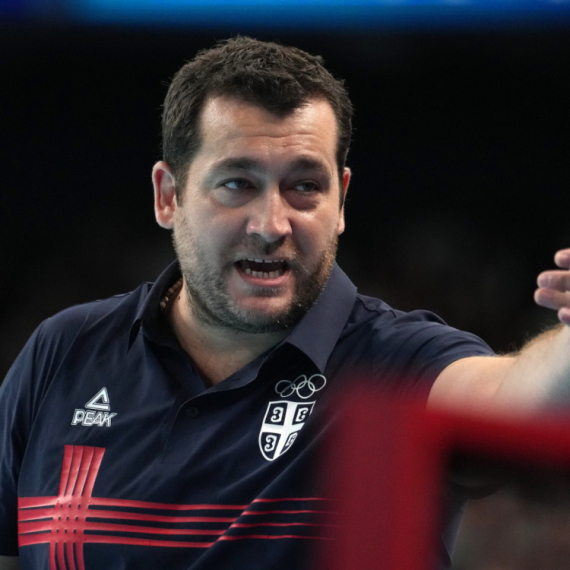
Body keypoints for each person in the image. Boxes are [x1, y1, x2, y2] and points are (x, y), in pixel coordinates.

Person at [0, 36, 569, 570]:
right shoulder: (64, 351)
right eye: (237, 184)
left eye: (304, 187)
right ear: (169, 196)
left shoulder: (399, 365)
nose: (271, 225)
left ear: (341, 202)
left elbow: (524, 398)